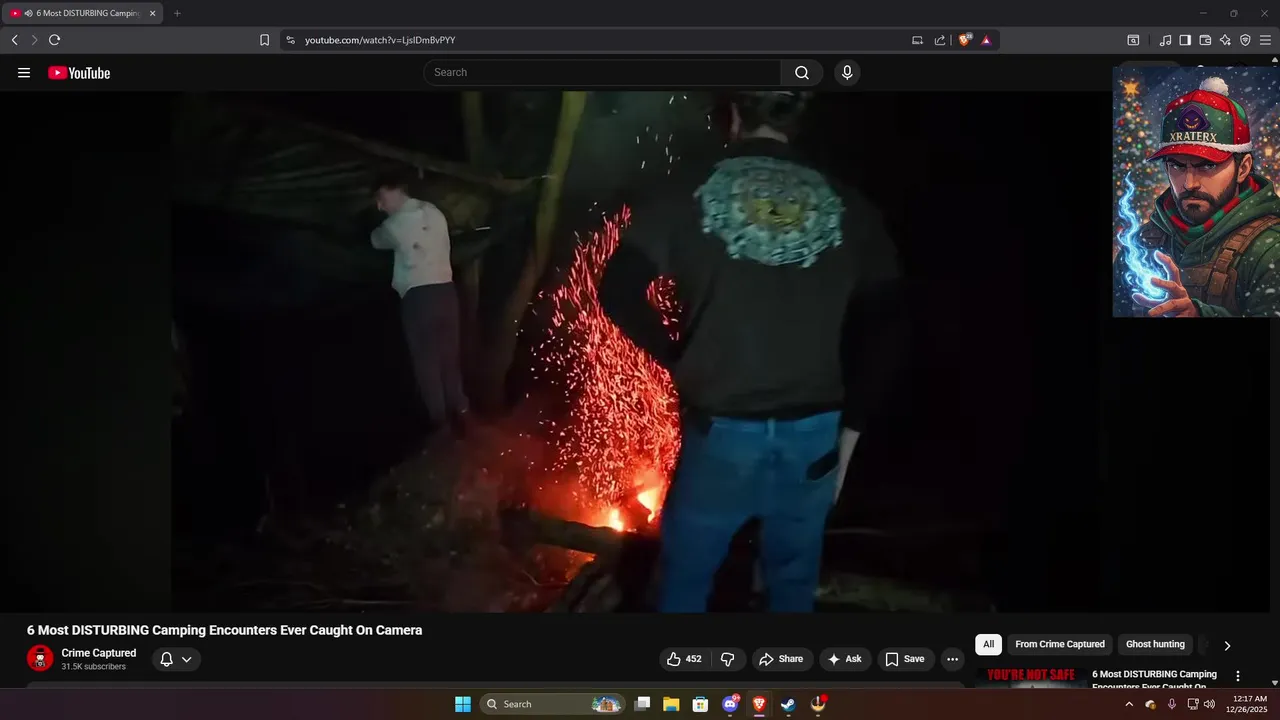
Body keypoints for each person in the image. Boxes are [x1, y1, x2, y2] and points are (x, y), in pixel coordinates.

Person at [599, 91, 907, 612]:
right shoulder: (850, 204)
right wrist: (849, 437)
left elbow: (617, 290)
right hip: (815, 437)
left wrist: (678, 359)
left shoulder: (684, 191)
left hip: (721, 434)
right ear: (797, 118)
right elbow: (890, 324)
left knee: (683, 587)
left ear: (736, 114)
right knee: (792, 588)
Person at [1115, 77, 1280, 318]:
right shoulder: (1141, 245)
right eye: (1177, 166)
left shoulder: (1271, 250)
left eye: (1207, 165)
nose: (1189, 183)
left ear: (1243, 168)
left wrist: (1199, 315)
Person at [370, 172, 470, 434]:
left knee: (426, 363)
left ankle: (441, 424)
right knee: (449, 358)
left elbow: (375, 240)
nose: (380, 206)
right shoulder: (435, 212)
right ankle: (462, 412)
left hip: (418, 298)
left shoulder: (393, 225)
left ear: (394, 190)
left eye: (381, 198)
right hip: (447, 292)